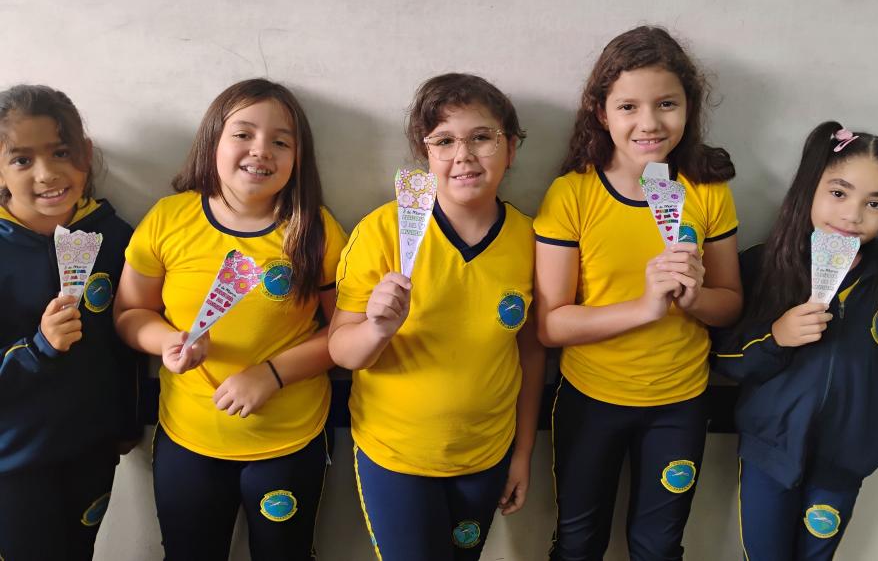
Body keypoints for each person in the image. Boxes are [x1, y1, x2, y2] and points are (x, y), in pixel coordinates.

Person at [534, 26, 743, 560]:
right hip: (591, 400)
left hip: (680, 403)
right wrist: (645, 308)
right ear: (601, 113)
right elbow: (551, 325)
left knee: (659, 546)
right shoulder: (573, 194)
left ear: (689, 108)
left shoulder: (706, 191)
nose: (649, 123)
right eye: (628, 106)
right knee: (578, 544)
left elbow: (730, 303)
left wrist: (695, 299)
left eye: (666, 104)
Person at [114, 79, 346, 560]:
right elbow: (130, 313)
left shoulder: (316, 230)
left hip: (289, 439)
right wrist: (166, 342)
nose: (261, 150)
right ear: (212, 141)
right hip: (188, 438)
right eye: (243, 134)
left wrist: (272, 374)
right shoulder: (168, 219)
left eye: (281, 141)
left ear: (298, 157)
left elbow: (344, 335)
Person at [329, 73, 545, 560]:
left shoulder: (531, 240)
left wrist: (522, 453)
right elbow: (341, 351)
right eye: (444, 141)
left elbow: (531, 355)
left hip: (486, 455)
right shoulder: (381, 232)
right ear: (424, 155)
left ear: (511, 149)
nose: (463, 155)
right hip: (396, 456)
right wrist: (377, 328)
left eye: (481, 137)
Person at [712, 121, 878, 560]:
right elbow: (724, 357)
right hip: (770, 454)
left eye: (875, 203)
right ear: (812, 187)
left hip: (843, 463)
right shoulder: (765, 266)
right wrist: (776, 338)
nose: (852, 215)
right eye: (839, 193)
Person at [0, 84, 141, 560]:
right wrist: (39, 348)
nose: (47, 173)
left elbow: (124, 342)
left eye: (61, 152)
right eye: (22, 160)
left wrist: (127, 419)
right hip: (13, 461)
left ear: (85, 153)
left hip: (92, 450)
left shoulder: (114, 236)